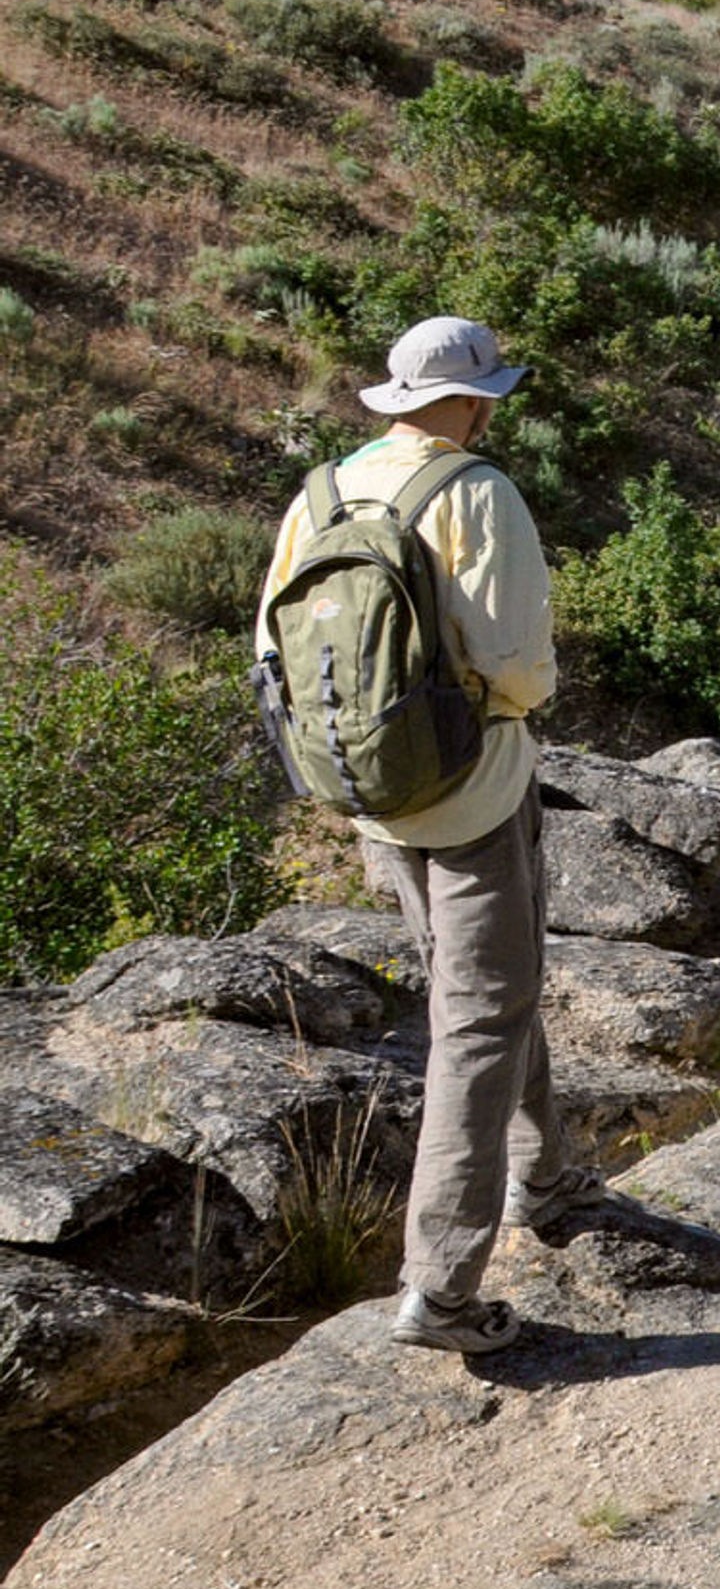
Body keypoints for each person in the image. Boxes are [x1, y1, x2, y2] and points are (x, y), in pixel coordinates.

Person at [253, 316, 594, 1355]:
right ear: (476, 399)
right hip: (473, 791)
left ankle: (544, 1175)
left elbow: (273, 637)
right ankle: (441, 1291)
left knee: (489, 984)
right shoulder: (476, 494)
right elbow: (519, 666)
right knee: (482, 1020)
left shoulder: (322, 494)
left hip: (367, 785)